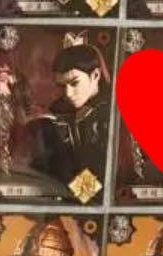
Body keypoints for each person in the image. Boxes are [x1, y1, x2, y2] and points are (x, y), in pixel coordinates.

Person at [25, 38, 111, 192]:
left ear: (95, 75)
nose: (68, 94)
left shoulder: (114, 111)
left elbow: (110, 173)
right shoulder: (58, 108)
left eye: (74, 83)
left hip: (95, 192)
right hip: (62, 188)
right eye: (62, 86)